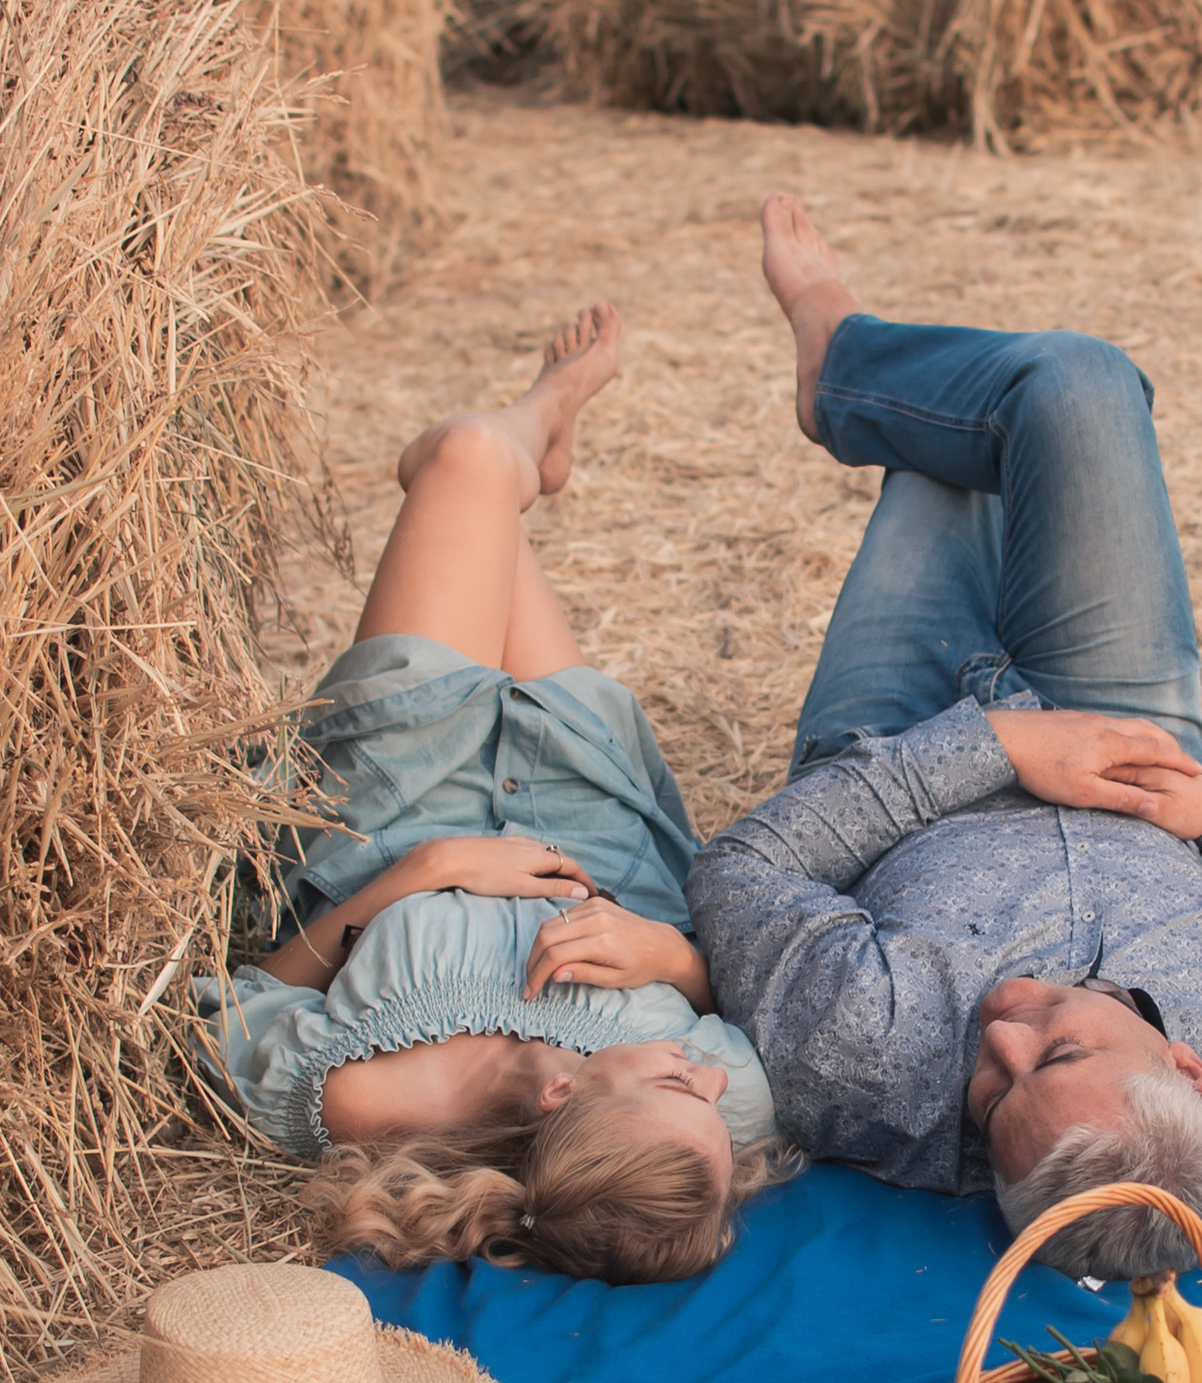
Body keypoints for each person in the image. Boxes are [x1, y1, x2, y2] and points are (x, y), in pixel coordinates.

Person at [686, 198, 1202, 1281]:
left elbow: (738, 871)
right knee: (1086, 385)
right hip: (1126, 718)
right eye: (1057, 1047)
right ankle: (842, 359)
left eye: (992, 1093)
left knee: (956, 453)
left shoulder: (862, 1057)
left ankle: (846, 365)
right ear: (1191, 1070)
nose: (1000, 1027)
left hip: (900, 735)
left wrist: (995, 745)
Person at [197, 306, 790, 1284]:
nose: (712, 1071)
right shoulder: (725, 1114)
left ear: (561, 1093)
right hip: (588, 803)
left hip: (396, 797)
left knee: (461, 459)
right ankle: (536, 438)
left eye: (678, 1076)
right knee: (477, 491)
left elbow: (243, 991)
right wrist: (672, 959)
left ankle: (534, 420)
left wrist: (418, 876)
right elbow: (753, 993)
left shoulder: (354, 1097)